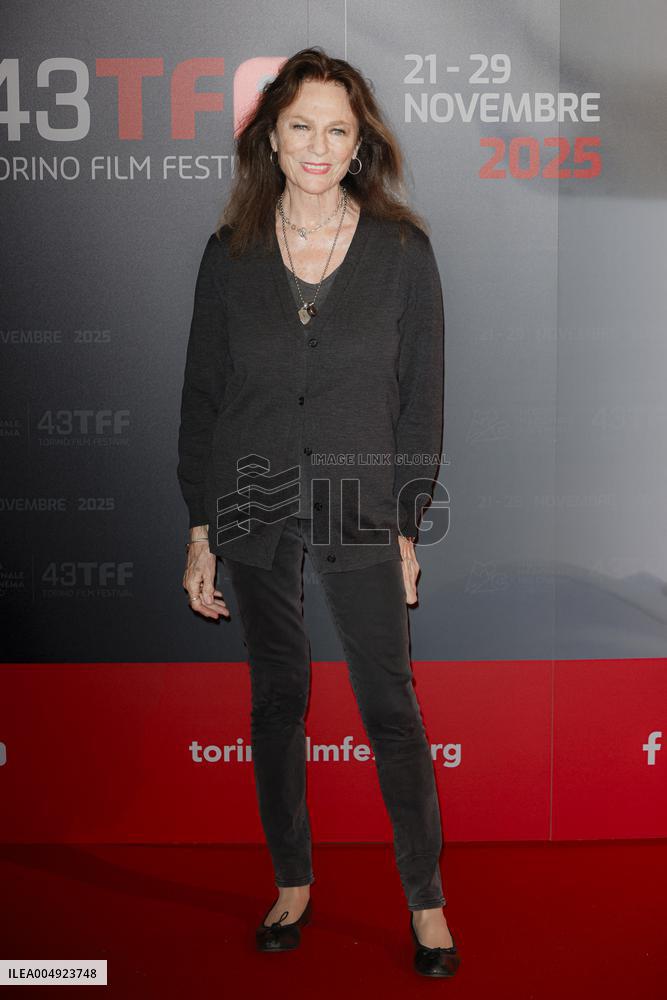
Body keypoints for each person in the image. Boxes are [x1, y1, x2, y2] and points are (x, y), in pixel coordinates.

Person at [177, 46, 459, 978]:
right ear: (269, 135)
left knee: (390, 707)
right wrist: (201, 527)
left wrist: (407, 523)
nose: (317, 144)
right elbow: (202, 397)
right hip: (249, 498)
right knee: (276, 701)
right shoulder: (231, 255)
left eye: (337, 129)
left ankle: (424, 898)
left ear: (358, 146)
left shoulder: (400, 252)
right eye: (300, 124)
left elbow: (420, 402)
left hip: (357, 502)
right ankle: (292, 881)